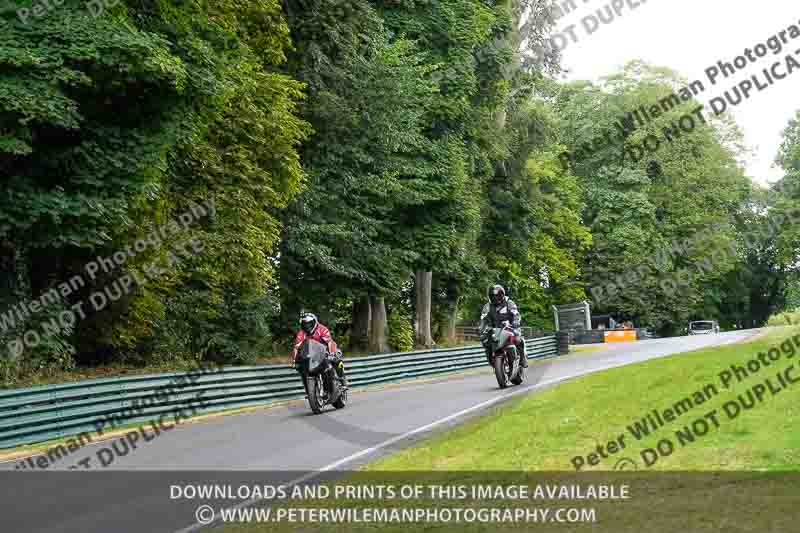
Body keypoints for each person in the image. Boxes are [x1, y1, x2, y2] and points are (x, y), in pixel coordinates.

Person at [291, 312, 347, 385]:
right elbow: (296, 348)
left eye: (309, 323)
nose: (307, 326)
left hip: (327, 350)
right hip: (311, 354)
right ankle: (308, 390)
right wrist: (294, 360)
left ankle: (342, 379)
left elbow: (329, 342)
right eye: (304, 324)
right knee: (301, 368)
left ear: (314, 322)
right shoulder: (301, 333)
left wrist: (332, 354)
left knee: (337, 359)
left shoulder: (322, 329)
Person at [479, 285, 528, 368]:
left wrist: (516, 322)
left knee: (518, 339)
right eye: (492, 296)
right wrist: (481, 329)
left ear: (502, 295)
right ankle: (491, 359)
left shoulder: (509, 302)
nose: (495, 298)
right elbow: (483, 319)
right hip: (494, 329)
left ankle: (523, 358)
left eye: (497, 296)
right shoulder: (487, 306)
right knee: (485, 341)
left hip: (510, 327)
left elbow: (516, 314)